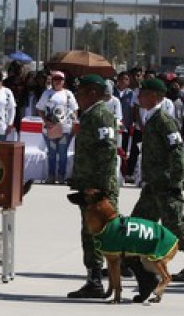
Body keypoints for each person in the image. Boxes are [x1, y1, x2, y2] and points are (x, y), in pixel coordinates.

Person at [131, 78, 184, 282]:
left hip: (165, 184)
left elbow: (177, 153)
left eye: (143, 94)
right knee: (138, 222)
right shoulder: (152, 118)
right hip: (153, 184)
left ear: (154, 96)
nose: (139, 98)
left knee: (174, 223)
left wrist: (176, 183)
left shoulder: (164, 120)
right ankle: (131, 260)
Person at [66, 75, 120, 299]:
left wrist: (99, 187)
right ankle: (94, 279)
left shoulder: (101, 115)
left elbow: (108, 150)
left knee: (100, 234)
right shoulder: (90, 115)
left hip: (97, 189)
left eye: (81, 92)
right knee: (90, 233)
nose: (77, 96)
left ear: (94, 93)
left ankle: (99, 280)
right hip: (89, 186)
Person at [36, 71, 78, 183]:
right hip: (50, 129)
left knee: (63, 153)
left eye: (60, 79)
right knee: (52, 153)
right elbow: (40, 109)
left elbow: (75, 110)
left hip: (65, 129)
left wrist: (73, 125)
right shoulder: (47, 93)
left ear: (63, 81)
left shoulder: (68, 94)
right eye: (55, 79)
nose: (57, 82)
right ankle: (51, 175)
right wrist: (45, 120)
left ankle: (61, 176)